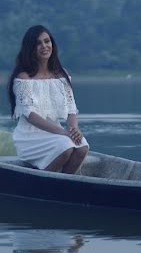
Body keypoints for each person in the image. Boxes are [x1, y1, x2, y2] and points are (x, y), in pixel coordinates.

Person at [8, 25, 89, 174]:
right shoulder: (23, 77)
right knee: (65, 147)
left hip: (55, 132)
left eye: (47, 41)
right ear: (30, 48)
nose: (44, 46)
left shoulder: (61, 74)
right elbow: (30, 116)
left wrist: (73, 129)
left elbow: (71, 108)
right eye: (38, 43)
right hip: (30, 136)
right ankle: (41, 181)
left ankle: (63, 184)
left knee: (82, 147)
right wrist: (63, 132)